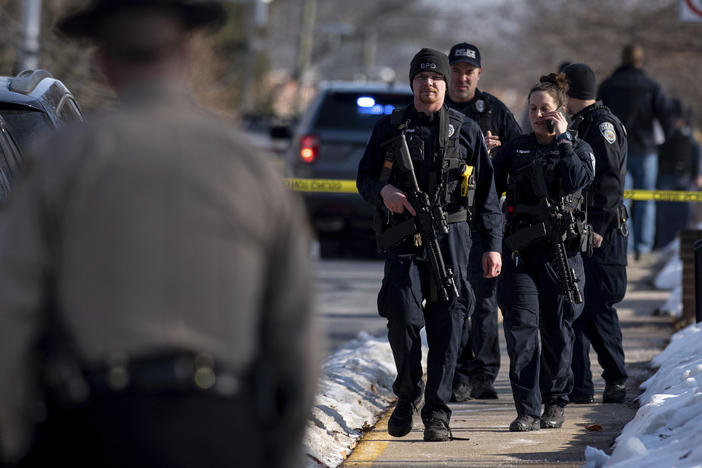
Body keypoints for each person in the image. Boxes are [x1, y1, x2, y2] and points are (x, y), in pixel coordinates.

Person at [0, 1, 318, 467]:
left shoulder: (59, 161)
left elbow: (12, 315)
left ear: (102, 62)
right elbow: (295, 334)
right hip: (220, 427)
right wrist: (282, 450)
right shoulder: (248, 168)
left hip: (93, 427)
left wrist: (13, 439)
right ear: (188, 55)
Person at [357, 48, 502, 442]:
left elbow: (488, 197)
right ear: (412, 84)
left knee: (449, 324)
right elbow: (365, 179)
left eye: (435, 78)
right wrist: (384, 190)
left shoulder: (466, 129)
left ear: (444, 84)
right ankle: (408, 392)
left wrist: (493, 246)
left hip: (453, 239)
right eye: (422, 78)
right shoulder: (390, 128)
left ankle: (437, 413)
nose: (429, 85)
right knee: (402, 317)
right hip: (404, 237)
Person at [492, 73, 594, 431]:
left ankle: (555, 400)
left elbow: (578, 179)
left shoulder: (577, 148)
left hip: (561, 256)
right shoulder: (515, 149)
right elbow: (488, 193)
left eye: (545, 109)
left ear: (560, 111)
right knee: (520, 331)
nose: (538, 115)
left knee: (557, 330)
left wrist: (563, 139)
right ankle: (527, 409)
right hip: (520, 255)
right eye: (533, 109)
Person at [445, 42, 522, 401]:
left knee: (486, 301)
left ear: (479, 74)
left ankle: (484, 375)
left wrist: (497, 153)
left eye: (469, 71)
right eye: (457, 70)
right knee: (454, 297)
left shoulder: (493, 110)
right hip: (447, 220)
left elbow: (525, 155)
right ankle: (458, 373)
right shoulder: (436, 108)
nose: (462, 77)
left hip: (486, 220)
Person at [564, 63, 629, 404]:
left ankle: (616, 378)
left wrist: (599, 228)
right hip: (581, 231)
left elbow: (610, 183)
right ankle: (580, 386)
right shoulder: (579, 123)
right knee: (576, 309)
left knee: (598, 309)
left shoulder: (602, 125)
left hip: (601, 234)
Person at [598, 43, 671, 261]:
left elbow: (599, 113)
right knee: (646, 199)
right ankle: (644, 247)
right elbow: (666, 114)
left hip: (617, 150)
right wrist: (662, 140)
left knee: (621, 199)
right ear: (640, 60)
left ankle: (625, 246)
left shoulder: (609, 85)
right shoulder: (651, 85)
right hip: (646, 149)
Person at [655, 99, 702, 249]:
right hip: (665, 177)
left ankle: (684, 246)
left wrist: (698, 174)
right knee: (664, 215)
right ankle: (664, 246)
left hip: (686, 178)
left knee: (687, 214)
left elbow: (697, 155)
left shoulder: (692, 135)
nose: (678, 121)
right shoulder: (664, 132)